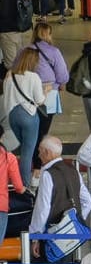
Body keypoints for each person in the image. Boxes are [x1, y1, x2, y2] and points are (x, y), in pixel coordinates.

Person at [3, 46, 47, 181]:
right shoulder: (33, 77)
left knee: (23, 150)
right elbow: (39, 100)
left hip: (12, 115)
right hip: (28, 114)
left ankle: (15, 180)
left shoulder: (9, 77)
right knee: (27, 152)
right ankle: (25, 185)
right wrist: (46, 91)